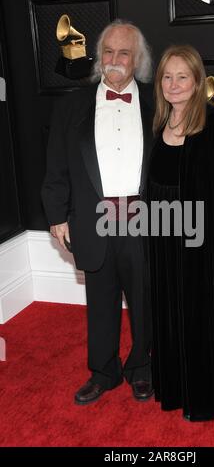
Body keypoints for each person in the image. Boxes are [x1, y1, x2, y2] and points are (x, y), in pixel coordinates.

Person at [41, 20, 154, 405]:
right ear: (98, 57)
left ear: (137, 59)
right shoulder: (73, 105)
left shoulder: (159, 102)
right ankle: (104, 372)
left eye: (124, 52)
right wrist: (56, 216)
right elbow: (55, 164)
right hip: (93, 219)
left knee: (145, 301)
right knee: (100, 302)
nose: (115, 59)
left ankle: (142, 368)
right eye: (108, 51)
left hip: (145, 220)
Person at [146, 45, 214, 421]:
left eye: (182, 77)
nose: (173, 85)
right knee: (172, 314)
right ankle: (175, 386)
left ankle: (209, 394)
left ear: (196, 83)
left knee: (201, 317)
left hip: (202, 248)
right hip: (164, 244)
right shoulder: (160, 125)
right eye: (167, 76)